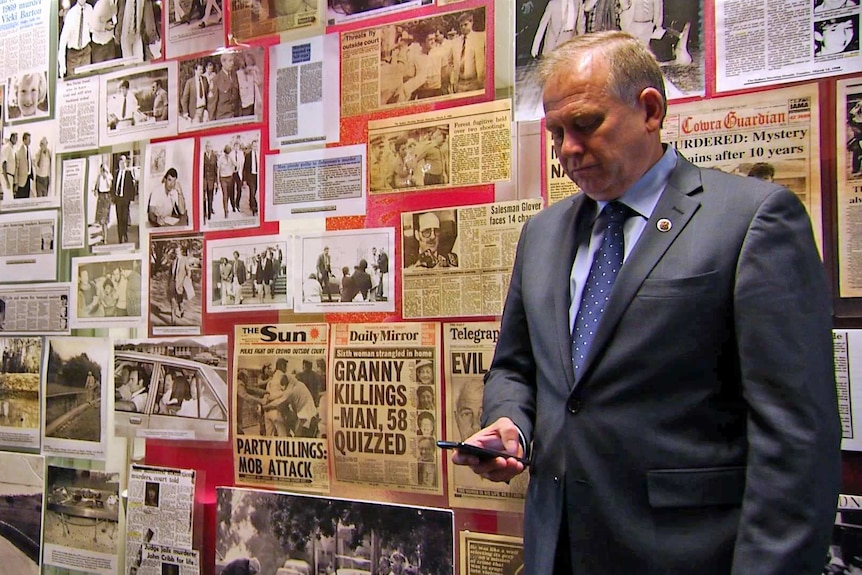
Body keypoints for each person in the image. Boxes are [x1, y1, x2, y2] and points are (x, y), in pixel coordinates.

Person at [452, 31, 841, 575]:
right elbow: (516, 366)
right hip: (558, 547)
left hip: (687, 554)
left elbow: (795, 439)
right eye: (557, 132)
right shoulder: (542, 234)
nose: (567, 148)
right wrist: (510, 425)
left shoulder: (751, 220)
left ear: (650, 110)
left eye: (586, 124)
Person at [450, 11, 485, 93]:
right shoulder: (455, 42)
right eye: (461, 26)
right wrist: (453, 79)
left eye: (465, 24)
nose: (463, 27)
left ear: (471, 22)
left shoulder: (480, 38)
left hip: (475, 82)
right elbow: (450, 62)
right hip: (460, 84)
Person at [58, 0, 93, 78]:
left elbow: (92, 28)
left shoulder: (89, 9)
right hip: (74, 55)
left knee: (87, 79)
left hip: (86, 52)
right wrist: (62, 64)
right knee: (73, 82)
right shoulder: (71, 14)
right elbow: (63, 40)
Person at [208, 52, 240, 121]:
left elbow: (237, 98)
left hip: (235, 116)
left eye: (233, 60)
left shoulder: (234, 76)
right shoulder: (216, 80)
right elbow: (212, 105)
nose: (232, 63)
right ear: (223, 62)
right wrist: (212, 121)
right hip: (223, 118)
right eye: (230, 61)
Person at [112, 155, 136, 243]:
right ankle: (120, 237)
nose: (122, 163)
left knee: (124, 218)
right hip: (118, 199)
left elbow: (132, 187)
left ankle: (125, 234)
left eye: (123, 161)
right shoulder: (116, 173)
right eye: (120, 161)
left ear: (125, 163)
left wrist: (131, 199)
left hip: (125, 199)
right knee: (119, 218)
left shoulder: (128, 173)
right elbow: (114, 186)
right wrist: (113, 197)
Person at [169, 245, 192, 319]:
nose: (176, 253)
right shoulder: (173, 261)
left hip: (181, 283)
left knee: (179, 299)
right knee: (172, 299)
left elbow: (188, 270)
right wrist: (168, 283)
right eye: (175, 251)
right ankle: (173, 316)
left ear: (181, 251)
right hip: (173, 282)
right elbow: (170, 273)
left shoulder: (184, 259)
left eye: (178, 251)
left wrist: (188, 279)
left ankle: (181, 309)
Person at [93, 163, 113, 243]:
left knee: (105, 219)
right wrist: (95, 190)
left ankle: (105, 238)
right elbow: (96, 187)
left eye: (104, 170)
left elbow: (109, 186)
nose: (102, 171)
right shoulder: (99, 177)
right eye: (102, 170)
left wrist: (106, 178)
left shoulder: (109, 176)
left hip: (106, 197)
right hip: (101, 197)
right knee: (101, 219)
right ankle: (103, 235)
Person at [217, 144, 237, 216]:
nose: (227, 155)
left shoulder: (231, 157)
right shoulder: (220, 159)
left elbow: (236, 165)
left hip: (230, 178)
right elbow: (218, 170)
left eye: (228, 153)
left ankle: (229, 207)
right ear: (224, 152)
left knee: (229, 194)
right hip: (223, 178)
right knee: (225, 195)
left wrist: (232, 160)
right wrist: (218, 181)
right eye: (226, 153)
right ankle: (226, 211)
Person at [202, 141, 218, 221]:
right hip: (204, 180)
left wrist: (216, 182)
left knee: (210, 197)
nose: (208, 148)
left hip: (211, 180)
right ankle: (204, 212)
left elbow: (216, 170)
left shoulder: (214, 156)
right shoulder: (202, 156)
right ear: (205, 148)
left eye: (210, 146)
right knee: (203, 198)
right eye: (207, 146)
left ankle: (209, 213)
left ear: (212, 147)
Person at [13, 132, 32, 199]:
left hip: (28, 178)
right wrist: (16, 182)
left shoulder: (29, 150)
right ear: (24, 140)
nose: (30, 141)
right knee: (20, 199)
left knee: (27, 198)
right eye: (28, 139)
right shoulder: (19, 151)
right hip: (21, 181)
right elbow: (16, 168)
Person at [243, 140, 259, 216]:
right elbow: (245, 169)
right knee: (252, 191)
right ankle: (254, 209)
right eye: (254, 146)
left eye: (256, 146)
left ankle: (251, 202)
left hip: (258, 176)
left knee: (255, 192)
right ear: (252, 146)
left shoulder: (260, 154)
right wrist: (244, 180)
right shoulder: (248, 155)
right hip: (251, 176)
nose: (255, 147)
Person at [1, 133, 16, 198]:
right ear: (12, 138)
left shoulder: (11, 149)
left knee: (9, 197)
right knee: (9, 198)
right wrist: (6, 180)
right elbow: (4, 163)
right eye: (16, 138)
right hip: (6, 175)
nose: (16, 140)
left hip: (10, 176)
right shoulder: (7, 147)